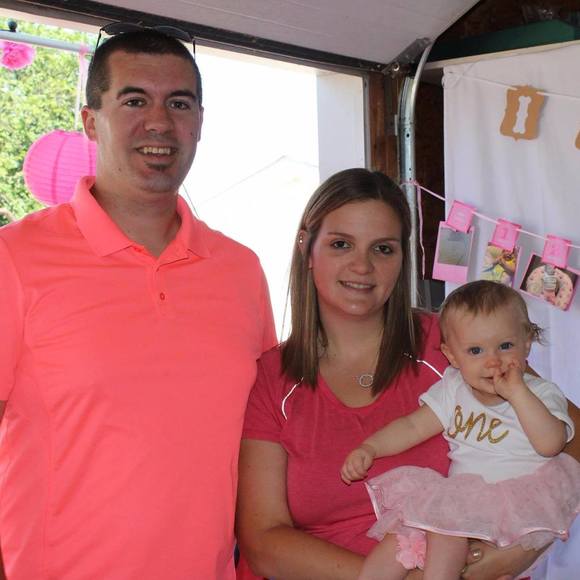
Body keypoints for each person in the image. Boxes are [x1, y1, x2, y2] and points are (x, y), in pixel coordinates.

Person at [0, 27, 276, 580]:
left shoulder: (240, 269)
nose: (159, 123)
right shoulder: (15, 258)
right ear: (90, 121)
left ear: (200, 122)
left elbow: (264, 442)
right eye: (133, 101)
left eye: (179, 103)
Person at [236, 168, 580, 580]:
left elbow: (570, 441)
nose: (362, 265)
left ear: (403, 260)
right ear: (306, 248)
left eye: (383, 249)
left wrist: (523, 548)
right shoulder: (273, 379)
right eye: (341, 244)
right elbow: (263, 542)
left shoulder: (455, 344)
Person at [341, 280, 580, 580]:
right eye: (475, 350)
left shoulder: (541, 393)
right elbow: (413, 426)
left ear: (527, 342)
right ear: (453, 356)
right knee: (401, 537)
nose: (493, 361)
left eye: (506, 346)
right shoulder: (454, 388)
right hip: (463, 498)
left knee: (445, 530)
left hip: (510, 505)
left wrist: (518, 393)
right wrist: (371, 447)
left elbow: (551, 444)